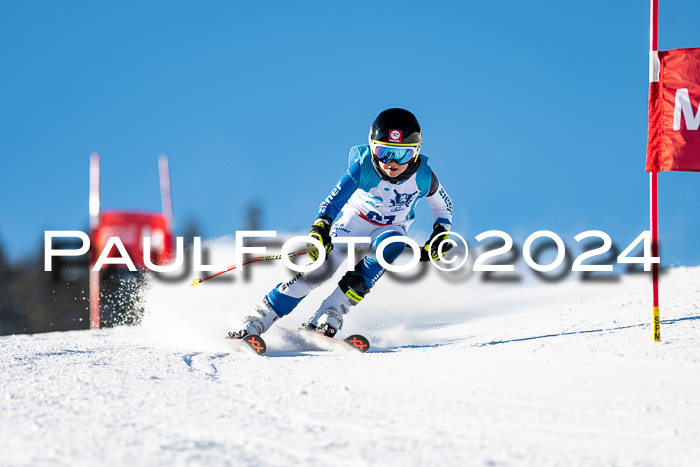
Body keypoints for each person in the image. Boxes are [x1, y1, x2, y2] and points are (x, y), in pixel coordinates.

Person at [229, 108, 454, 339]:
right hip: (355, 220)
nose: (391, 163)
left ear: (416, 153)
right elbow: (333, 200)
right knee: (321, 270)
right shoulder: (365, 166)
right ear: (372, 148)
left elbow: (443, 207)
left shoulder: (424, 176)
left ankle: (332, 310)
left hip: (391, 227)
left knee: (392, 246)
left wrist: (439, 235)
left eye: (402, 155)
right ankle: (259, 317)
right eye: (384, 152)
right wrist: (320, 228)